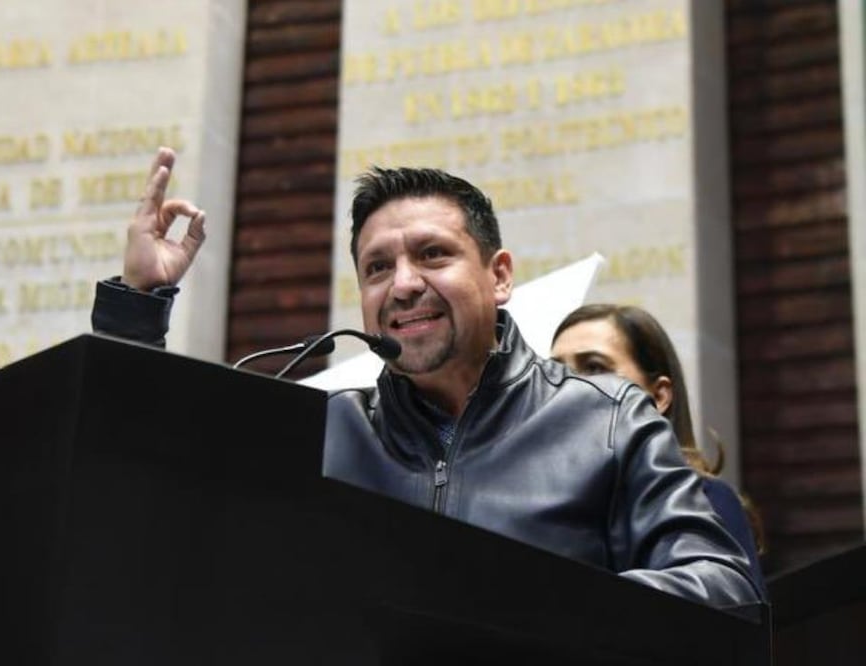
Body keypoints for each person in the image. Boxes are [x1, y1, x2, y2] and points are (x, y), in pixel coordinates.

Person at [92, 147, 762, 607]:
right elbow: (142, 502)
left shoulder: (609, 420)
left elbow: (725, 585)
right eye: (378, 268)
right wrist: (137, 306)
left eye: (433, 255)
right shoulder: (323, 430)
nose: (404, 285)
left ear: (499, 276)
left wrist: (540, 607)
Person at [550, 304, 767, 595]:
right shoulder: (542, 503)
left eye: (594, 367)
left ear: (659, 395)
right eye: (554, 370)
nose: (567, 383)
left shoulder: (705, 499)